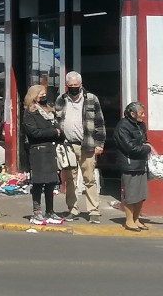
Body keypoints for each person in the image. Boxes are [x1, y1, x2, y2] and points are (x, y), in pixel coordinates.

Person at [54, 71, 106, 223]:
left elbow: (100, 123)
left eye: (76, 86)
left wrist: (100, 144)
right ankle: (72, 210)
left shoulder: (91, 99)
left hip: (87, 145)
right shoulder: (61, 99)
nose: (73, 88)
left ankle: (94, 211)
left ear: (81, 85)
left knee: (89, 179)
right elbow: (57, 121)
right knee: (70, 180)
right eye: (70, 86)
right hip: (68, 146)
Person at [23, 85, 64, 226]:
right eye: (41, 94)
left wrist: (58, 133)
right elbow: (33, 133)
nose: (43, 96)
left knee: (51, 182)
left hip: (51, 150)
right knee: (39, 182)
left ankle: (50, 211)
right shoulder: (29, 113)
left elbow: (58, 128)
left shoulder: (49, 111)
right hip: (38, 151)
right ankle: (37, 212)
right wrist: (53, 132)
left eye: (45, 94)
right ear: (33, 95)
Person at [114, 102, 152, 232]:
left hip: (141, 163)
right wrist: (147, 148)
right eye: (141, 113)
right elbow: (129, 147)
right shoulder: (122, 126)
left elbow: (144, 140)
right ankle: (129, 221)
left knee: (141, 194)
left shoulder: (141, 125)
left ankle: (136, 219)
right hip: (130, 165)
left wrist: (145, 147)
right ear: (132, 114)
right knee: (131, 194)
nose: (144, 115)